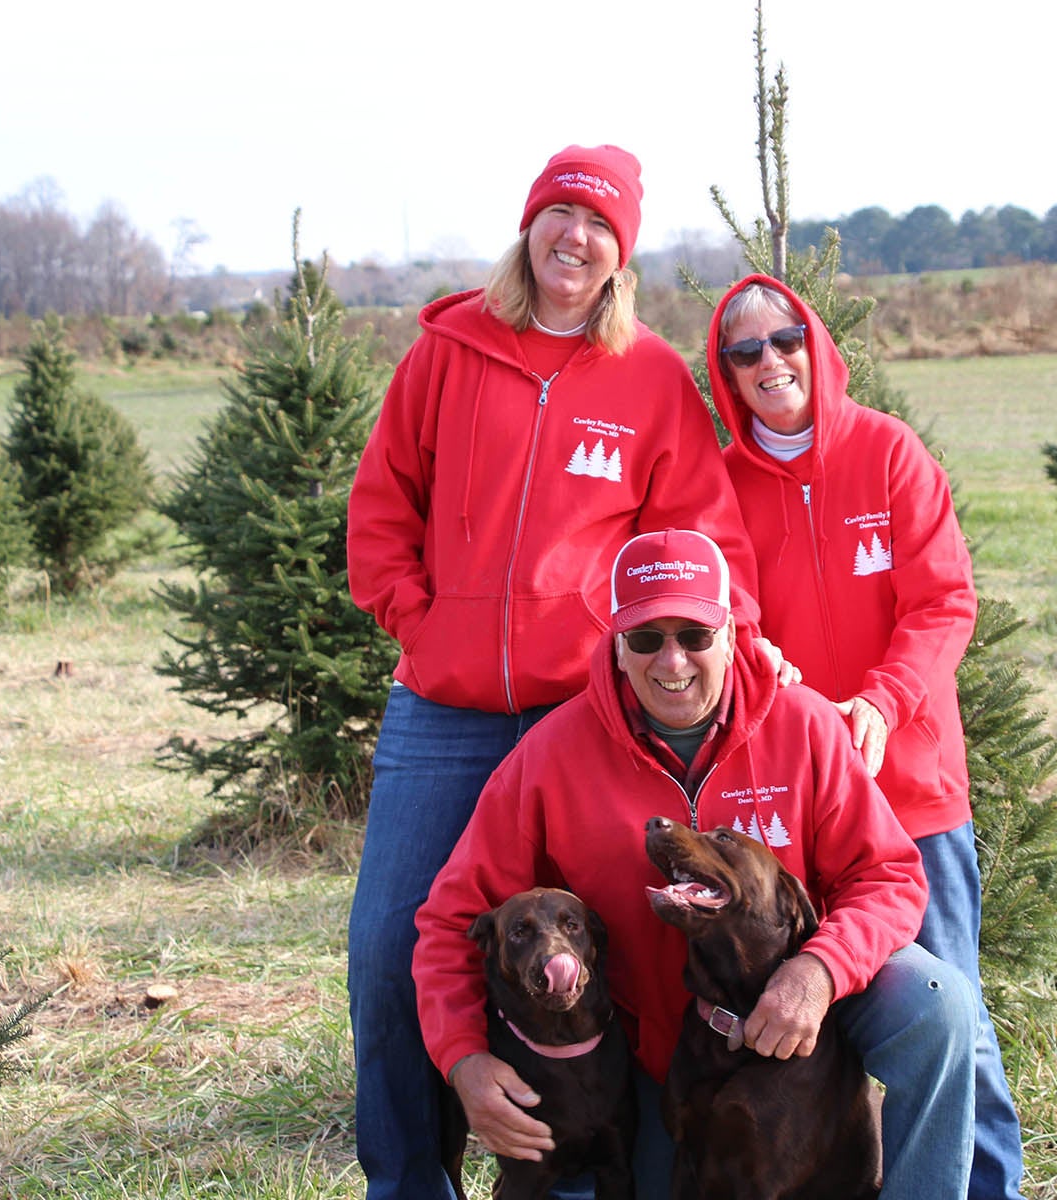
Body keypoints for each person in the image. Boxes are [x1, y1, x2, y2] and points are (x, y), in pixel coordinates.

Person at [345, 146, 763, 1200]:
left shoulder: (651, 380)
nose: (575, 237)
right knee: (393, 957)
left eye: (599, 223)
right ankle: (409, 1183)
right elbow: (382, 507)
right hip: (442, 712)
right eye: (559, 213)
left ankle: (624, 1165)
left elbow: (706, 551)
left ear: (623, 252)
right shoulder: (446, 352)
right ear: (529, 226)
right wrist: (422, 625)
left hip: (583, 717)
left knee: (611, 950)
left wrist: (711, 668)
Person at [413, 528, 980, 1200]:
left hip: (802, 1013)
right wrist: (464, 1060)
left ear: (734, 636)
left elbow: (886, 874)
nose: (672, 661)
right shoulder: (550, 757)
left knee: (938, 1007)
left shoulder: (803, 726)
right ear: (618, 649)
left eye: (695, 635)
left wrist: (821, 970)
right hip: (659, 1054)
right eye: (647, 639)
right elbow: (454, 920)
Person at [705, 274, 1029, 1200]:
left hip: (915, 796)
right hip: (798, 812)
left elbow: (941, 602)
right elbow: (737, 614)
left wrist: (880, 706)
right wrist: (782, 684)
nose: (769, 361)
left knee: (951, 1019)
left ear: (814, 342)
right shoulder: (723, 482)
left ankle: (988, 1186)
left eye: (783, 340)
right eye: (744, 351)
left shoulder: (889, 454)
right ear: (725, 374)